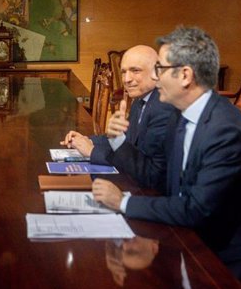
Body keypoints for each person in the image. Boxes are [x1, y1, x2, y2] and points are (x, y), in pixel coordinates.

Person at [91, 26, 241, 289]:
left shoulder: (224, 130)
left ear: (186, 75)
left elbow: (196, 209)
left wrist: (123, 202)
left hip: (226, 257)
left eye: (161, 69)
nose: (155, 77)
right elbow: (165, 182)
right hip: (191, 234)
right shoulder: (183, 115)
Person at [61, 45, 175, 187]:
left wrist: (92, 151)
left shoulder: (163, 107)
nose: (126, 79)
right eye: (123, 72)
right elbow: (124, 138)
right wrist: (87, 139)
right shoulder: (141, 100)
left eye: (135, 71)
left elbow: (152, 173)